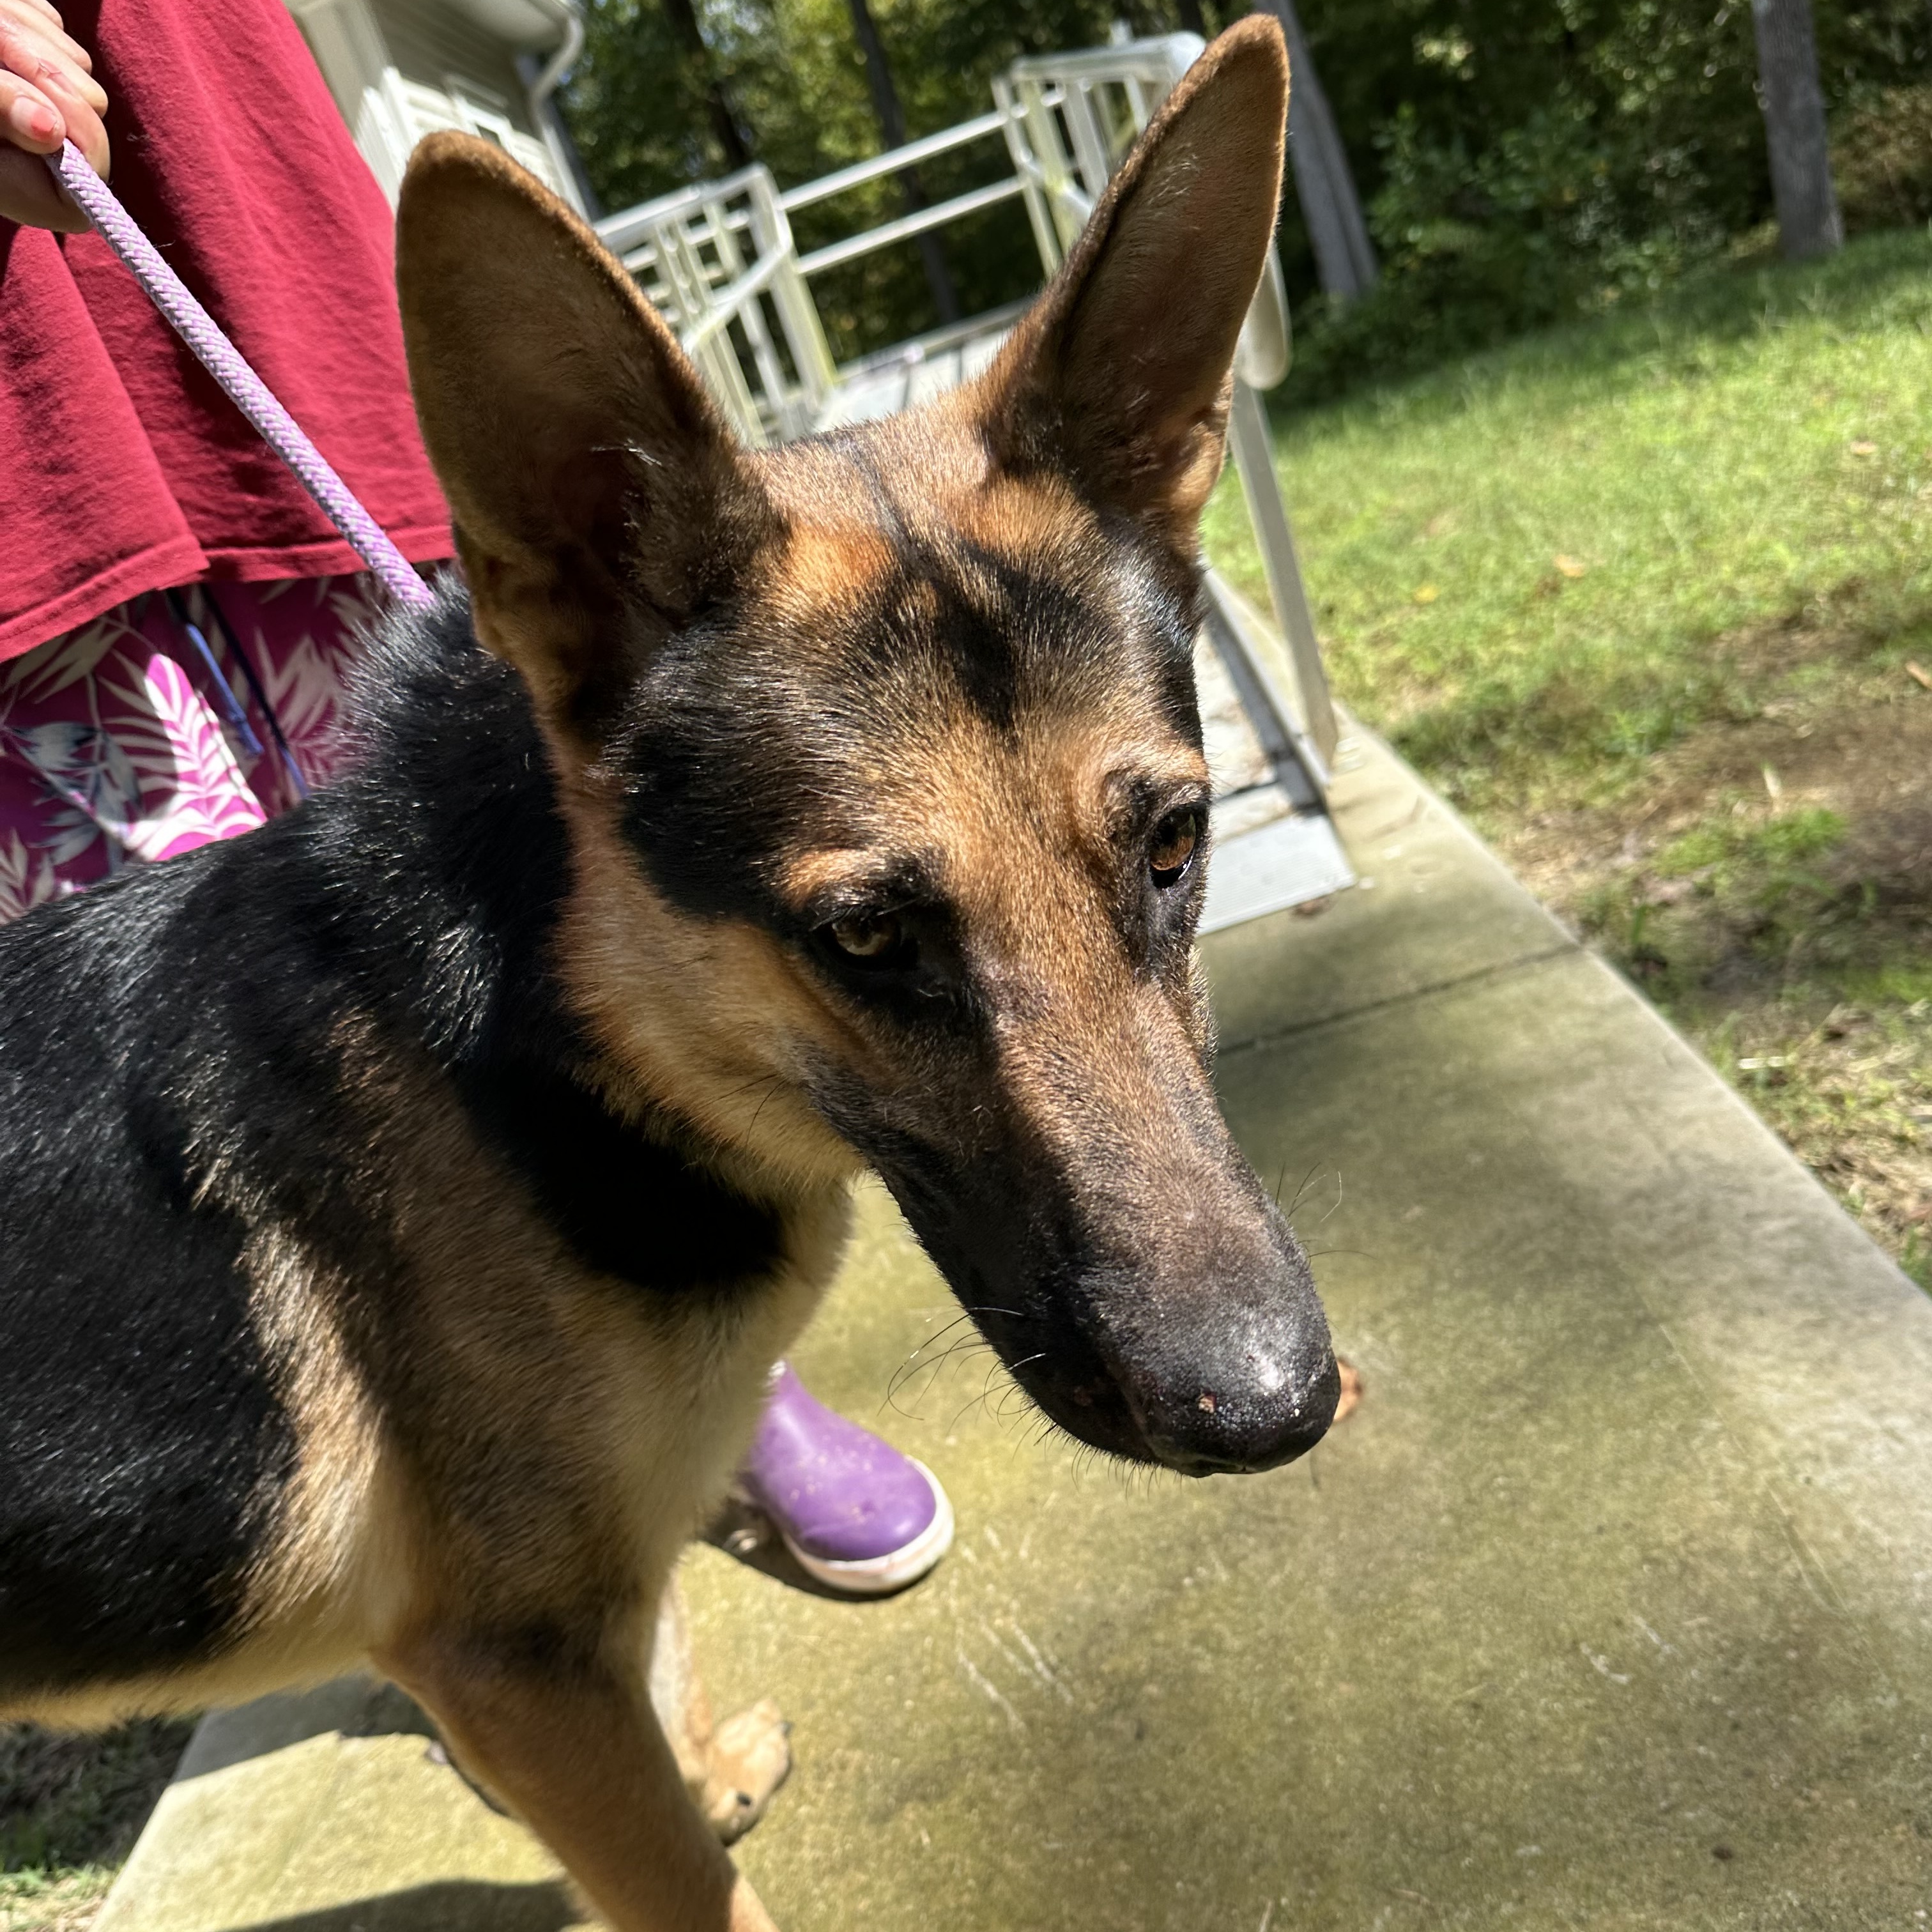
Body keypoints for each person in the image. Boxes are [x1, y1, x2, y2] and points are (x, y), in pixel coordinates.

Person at [0, 0, 949, 1595]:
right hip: (34, 495)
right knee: (203, 1105)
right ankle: (417, 1526)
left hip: (243, 261)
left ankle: (705, 1377)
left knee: (517, 922)